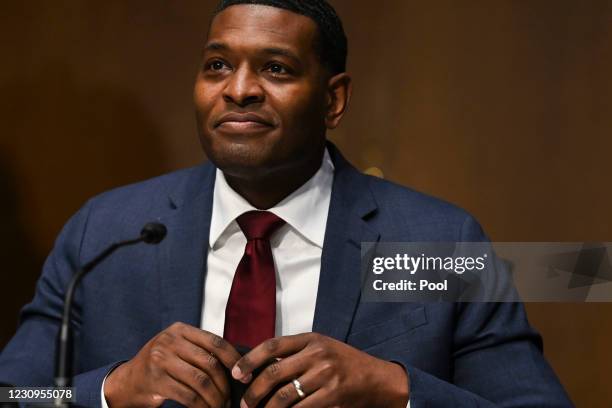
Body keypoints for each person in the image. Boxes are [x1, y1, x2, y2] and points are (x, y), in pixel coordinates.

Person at [0, 1, 573, 407]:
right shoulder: (105, 231)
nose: (239, 88)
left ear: (334, 99)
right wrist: (108, 391)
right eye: (218, 65)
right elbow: (17, 394)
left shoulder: (440, 241)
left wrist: (395, 390)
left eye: (275, 68)